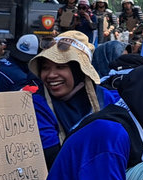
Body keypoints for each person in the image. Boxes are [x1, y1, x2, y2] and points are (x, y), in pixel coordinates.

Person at [31, 32, 120, 167]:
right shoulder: (39, 105)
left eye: (60, 66)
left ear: (79, 71)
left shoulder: (106, 98)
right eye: (45, 68)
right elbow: (53, 159)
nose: (51, 75)